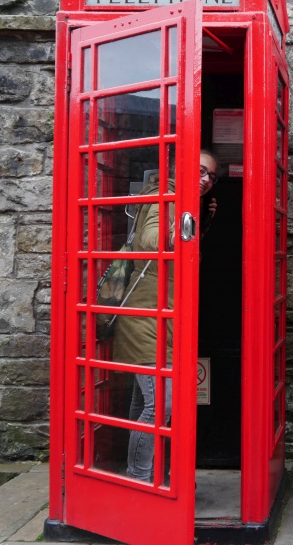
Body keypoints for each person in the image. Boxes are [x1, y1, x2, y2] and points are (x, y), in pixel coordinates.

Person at [113, 149, 218, 482]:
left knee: (142, 402)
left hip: (164, 315)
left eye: (211, 176)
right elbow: (150, 241)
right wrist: (188, 221)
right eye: (200, 171)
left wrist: (201, 222)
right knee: (161, 406)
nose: (205, 180)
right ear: (180, 167)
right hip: (146, 314)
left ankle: (144, 477)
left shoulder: (181, 199)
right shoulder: (168, 197)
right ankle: (141, 481)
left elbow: (184, 262)